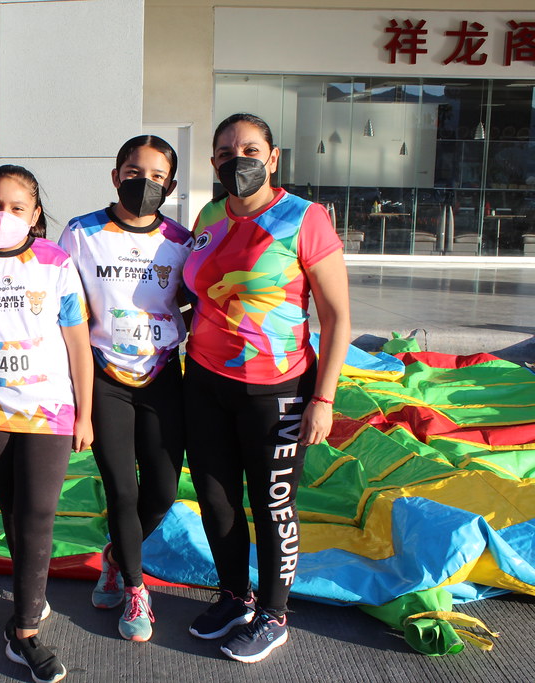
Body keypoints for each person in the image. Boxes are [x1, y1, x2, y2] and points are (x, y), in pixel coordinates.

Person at [182, 113, 351, 663]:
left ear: (273, 158)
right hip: (205, 381)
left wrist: (323, 399)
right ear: (213, 163)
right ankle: (235, 597)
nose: (239, 160)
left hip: (277, 388)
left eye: (251, 150)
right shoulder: (210, 214)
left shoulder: (304, 219)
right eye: (226, 153)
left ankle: (274, 615)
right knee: (216, 499)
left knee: (272, 503)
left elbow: (337, 317)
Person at [0, 165, 94, 683]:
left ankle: (24, 631)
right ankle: (33, 595)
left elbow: (78, 344)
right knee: (13, 513)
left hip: (50, 410)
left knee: (37, 515)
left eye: (16, 207)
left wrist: (85, 413)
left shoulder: (55, 264)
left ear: (34, 215)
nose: (2, 215)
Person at [58, 135, 191, 642]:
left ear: (171, 187)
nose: (144, 183)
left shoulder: (181, 240)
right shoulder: (82, 233)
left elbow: (196, 298)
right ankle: (135, 588)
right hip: (103, 376)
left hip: (161, 375)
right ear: (116, 176)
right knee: (122, 488)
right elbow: (63, 303)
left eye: (157, 177)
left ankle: (115, 555)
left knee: (163, 490)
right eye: (134, 173)